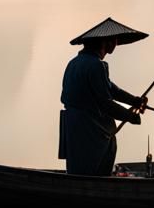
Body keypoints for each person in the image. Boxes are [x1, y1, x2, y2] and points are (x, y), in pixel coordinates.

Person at [60, 17, 149, 175]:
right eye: (114, 40)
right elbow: (105, 103)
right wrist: (130, 116)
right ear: (105, 42)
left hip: (74, 125)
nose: (116, 43)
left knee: (79, 169)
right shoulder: (95, 66)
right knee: (98, 161)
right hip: (88, 126)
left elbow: (111, 89)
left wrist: (134, 101)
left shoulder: (75, 62)